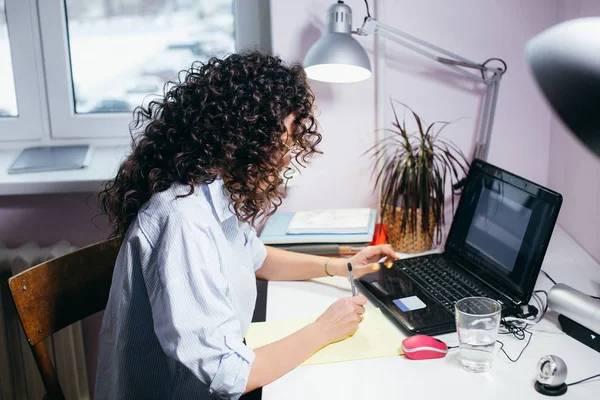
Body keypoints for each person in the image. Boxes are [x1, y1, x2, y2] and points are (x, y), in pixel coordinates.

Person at [96, 51, 398, 399]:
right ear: (243, 137)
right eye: (281, 142)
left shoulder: (209, 188)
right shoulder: (183, 219)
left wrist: (339, 265)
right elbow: (230, 374)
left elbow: (257, 258)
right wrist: (323, 330)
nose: (286, 155)